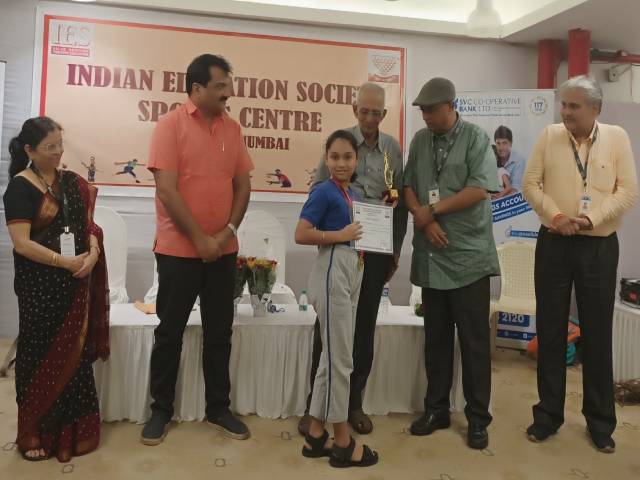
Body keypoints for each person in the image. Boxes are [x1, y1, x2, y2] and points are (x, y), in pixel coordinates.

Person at [141, 54, 253, 445]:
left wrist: (226, 233)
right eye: (221, 86)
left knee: (219, 333)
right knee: (169, 333)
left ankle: (218, 409)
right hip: (177, 251)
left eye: (229, 85)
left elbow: (243, 186)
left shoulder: (233, 129)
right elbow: (166, 190)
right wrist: (201, 239)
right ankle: (160, 410)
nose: (228, 93)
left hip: (224, 250)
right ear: (197, 89)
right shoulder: (169, 126)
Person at [522, 75, 638, 453]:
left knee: (598, 334)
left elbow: (628, 191)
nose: (566, 112)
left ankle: (600, 423)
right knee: (551, 330)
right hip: (554, 243)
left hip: (598, 246)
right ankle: (547, 415)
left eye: (574, 106)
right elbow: (530, 184)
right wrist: (556, 216)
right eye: (564, 104)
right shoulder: (549, 136)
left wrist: (590, 219)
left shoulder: (617, 138)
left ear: (596, 109)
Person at [298, 82, 408, 436]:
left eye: (376, 113)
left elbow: (399, 202)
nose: (370, 118)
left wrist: (394, 249)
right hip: (340, 251)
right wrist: (327, 239)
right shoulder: (341, 145)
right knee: (328, 330)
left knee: (363, 330)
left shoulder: (392, 148)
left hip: (375, 252)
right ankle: (315, 405)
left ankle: (353, 403)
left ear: (384, 114)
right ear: (354, 109)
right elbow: (318, 191)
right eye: (364, 111)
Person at [3, 116, 109, 462]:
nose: (58, 152)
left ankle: (72, 431)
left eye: (60, 144)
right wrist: (64, 262)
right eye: (50, 147)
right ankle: (35, 432)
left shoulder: (71, 183)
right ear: (30, 150)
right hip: (39, 288)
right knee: (38, 355)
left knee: (74, 356)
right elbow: (21, 243)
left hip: (75, 282)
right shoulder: (20, 187)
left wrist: (92, 254)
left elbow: (89, 226)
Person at [404, 77, 499, 450]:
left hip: (468, 257)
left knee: (474, 344)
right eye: (422, 110)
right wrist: (424, 219)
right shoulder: (420, 140)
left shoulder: (476, 138)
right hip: (433, 255)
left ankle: (477, 419)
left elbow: (479, 189)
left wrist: (433, 211)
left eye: (430, 110)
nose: (425, 116)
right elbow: (408, 186)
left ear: (450, 106)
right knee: (436, 341)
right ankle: (436, 409)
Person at [295, 129, 378, 468]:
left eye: (347, 157)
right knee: (341, 360)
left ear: (357, 160)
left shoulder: (350, 194)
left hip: (350, 268)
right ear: (326, 159)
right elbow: (301, 233)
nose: (341, 163)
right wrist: (338, 235)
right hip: (332, 268)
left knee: (332, 359)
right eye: (334, 157)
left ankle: (316, 435)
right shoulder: (324, 190)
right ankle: (342, 441)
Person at [494, 125, 526, 191]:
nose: (501, 148)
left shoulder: (519, 161)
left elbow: (515, 190)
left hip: (511, 196)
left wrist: (499, 195)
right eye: (498, 143)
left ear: (511, 143)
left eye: (504, 143)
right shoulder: (492, 158)